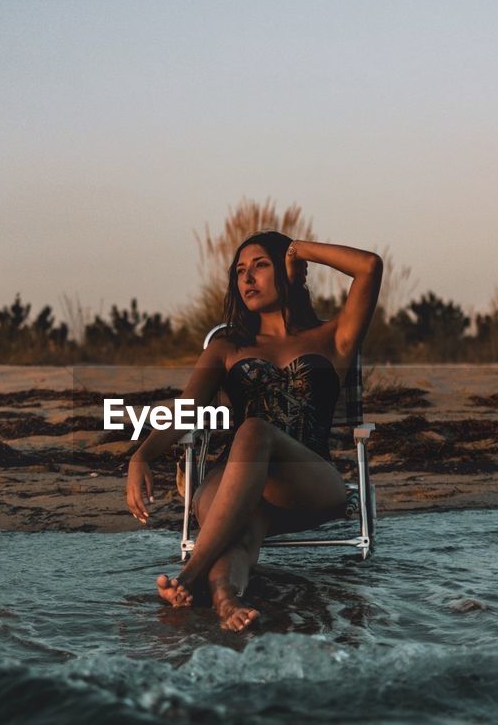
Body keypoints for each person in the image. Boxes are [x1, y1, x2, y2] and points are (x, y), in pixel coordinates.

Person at [125, 231, 383, 631]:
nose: (247, 278)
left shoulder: (334, 337)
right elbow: (187, 409)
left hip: (305, 483)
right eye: (240, 271)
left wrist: (298, 250)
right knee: (241, 535)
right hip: (232, 482)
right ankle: (227, 601)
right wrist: (142, 454)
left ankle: (189, 575)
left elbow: (369, 267)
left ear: (289, 271)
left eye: (261, 266)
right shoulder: (226, 346)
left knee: (254, 431)